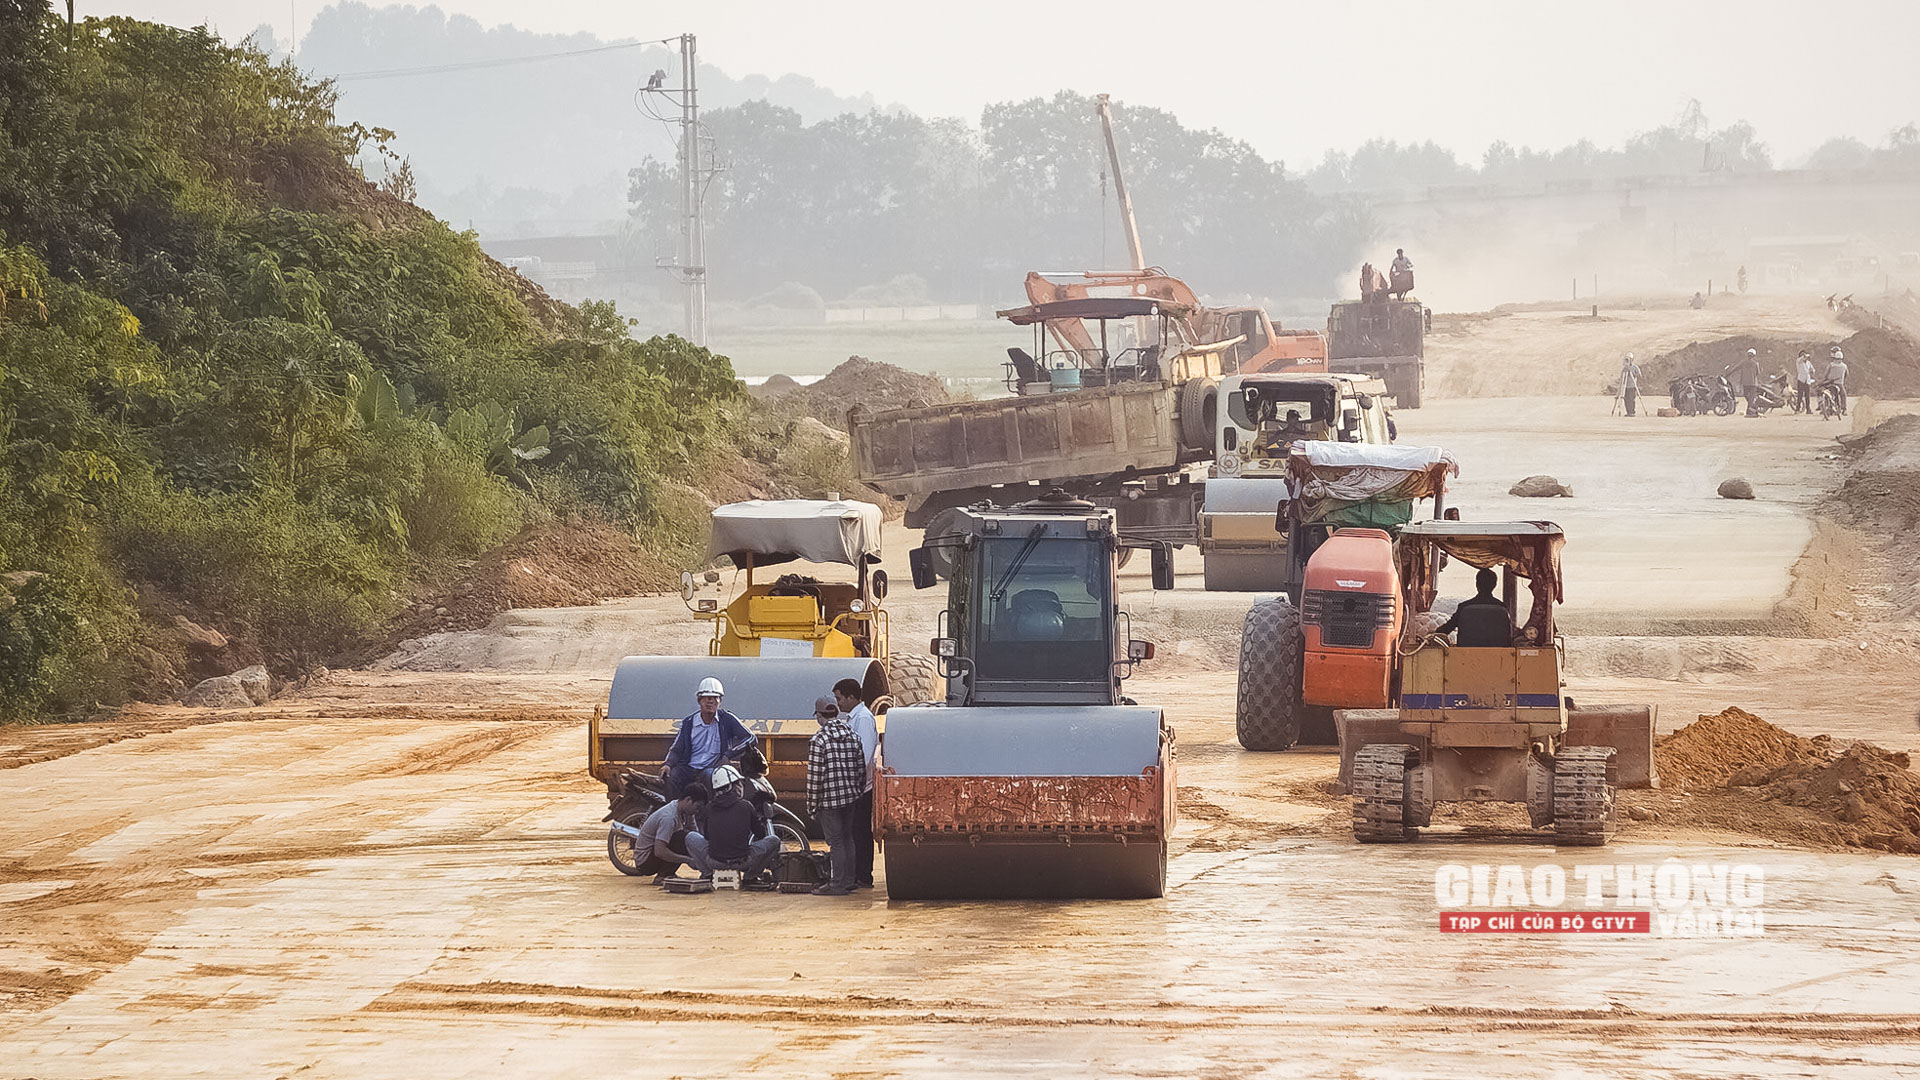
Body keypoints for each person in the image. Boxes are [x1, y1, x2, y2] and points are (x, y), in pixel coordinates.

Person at [805, 694, 866, 896]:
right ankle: (849, 880)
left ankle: (837, 884)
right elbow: (860, 770)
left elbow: (815, 778)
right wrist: (856, 791)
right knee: (848, 839)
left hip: (829, 802)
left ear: (820, 716)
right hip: (850, 798)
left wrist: (811, 806)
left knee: (836, 842)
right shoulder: (853, 736)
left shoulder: (819, 740)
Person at [686, 764, 781, 887]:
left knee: (690, 837)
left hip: (714, 862)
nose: (741, 787)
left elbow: (708, 837)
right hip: (742, 862)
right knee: (774, 840)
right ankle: (751, 877)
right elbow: (761, 834)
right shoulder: (746, 806)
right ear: (732, 786)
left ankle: (708, 874)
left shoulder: (709, 808)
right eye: (739, 784)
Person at [663, 676, 757, 798]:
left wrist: (728, 755)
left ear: (720, 701)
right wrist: (668, 764)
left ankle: (709, 814)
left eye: (715, 698)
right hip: (689, 768)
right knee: (671, 777)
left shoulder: (726, 719)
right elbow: (677, 749)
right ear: (699, 700)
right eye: (706, 698)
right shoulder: (689, 723)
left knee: (709, 776)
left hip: (712, 769)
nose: (710, 701)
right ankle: (676, 812)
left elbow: (750, 738)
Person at [833, 678, 879, 890]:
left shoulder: (863, 719)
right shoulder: (854, 718)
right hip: (857, 785)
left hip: (861, 787)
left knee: (860, 832)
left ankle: (863, 875)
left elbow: (865, 754)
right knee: (855, 832)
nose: (838, 703)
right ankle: (858, 874)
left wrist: (856, 783)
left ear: (851, 697)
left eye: (840, 698)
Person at [632, 783, 709, 884]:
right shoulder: (669, 818)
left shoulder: (687, 813)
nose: (697, 811)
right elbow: (659, 851)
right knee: (682, 838)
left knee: (691, 838)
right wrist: (687, 860)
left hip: (655, 854)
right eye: (697, 807)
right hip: (645, 861)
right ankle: (663, 875)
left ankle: (668, 872)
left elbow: (695, 836)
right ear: (688, 800)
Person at [1436, 567, 1512, 647]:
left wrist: (1433, 633)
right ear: (1494, 585)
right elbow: (1509, 634)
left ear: (1477, 584)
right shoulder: (1502, 608)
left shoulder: (1464, 607)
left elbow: (1446, 629)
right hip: (1499, 656)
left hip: (1464, 655)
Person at [1729, 348, 1761, 417]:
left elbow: (1735, 368)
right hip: (1753, 383)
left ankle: (1750, 410)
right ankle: (1752, 409)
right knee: (1751, 398)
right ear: (1754, 356)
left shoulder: (1743, 362)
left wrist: (1729, 373)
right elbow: (1758, 373)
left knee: (1747, 396)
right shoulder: (1756, 364)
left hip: (1745, 383)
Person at [1823, 346, 1849, 416]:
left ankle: (1825, 407)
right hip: (1840, 383)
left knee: (1826, 393)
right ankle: (1844, 409)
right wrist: (1843, 380)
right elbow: (1847, 375)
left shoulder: (1831, 365)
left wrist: (1825, 380)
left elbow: (1826, 374)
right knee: (1843, 395)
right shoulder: (1844, 366)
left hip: (1830, 383)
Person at [1794, 350, 1815, 414]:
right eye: (1802, 355)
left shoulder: (1808, 363)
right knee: (1800, 395)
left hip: (1807, 380)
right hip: (1801, 380)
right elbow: (1802, 358)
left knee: (1807, 396)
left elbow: (1812, 369)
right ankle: (1797, 409)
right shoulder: (1799, 361)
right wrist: (1805, 356)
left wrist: (1812, 371)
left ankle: (1808, 409)